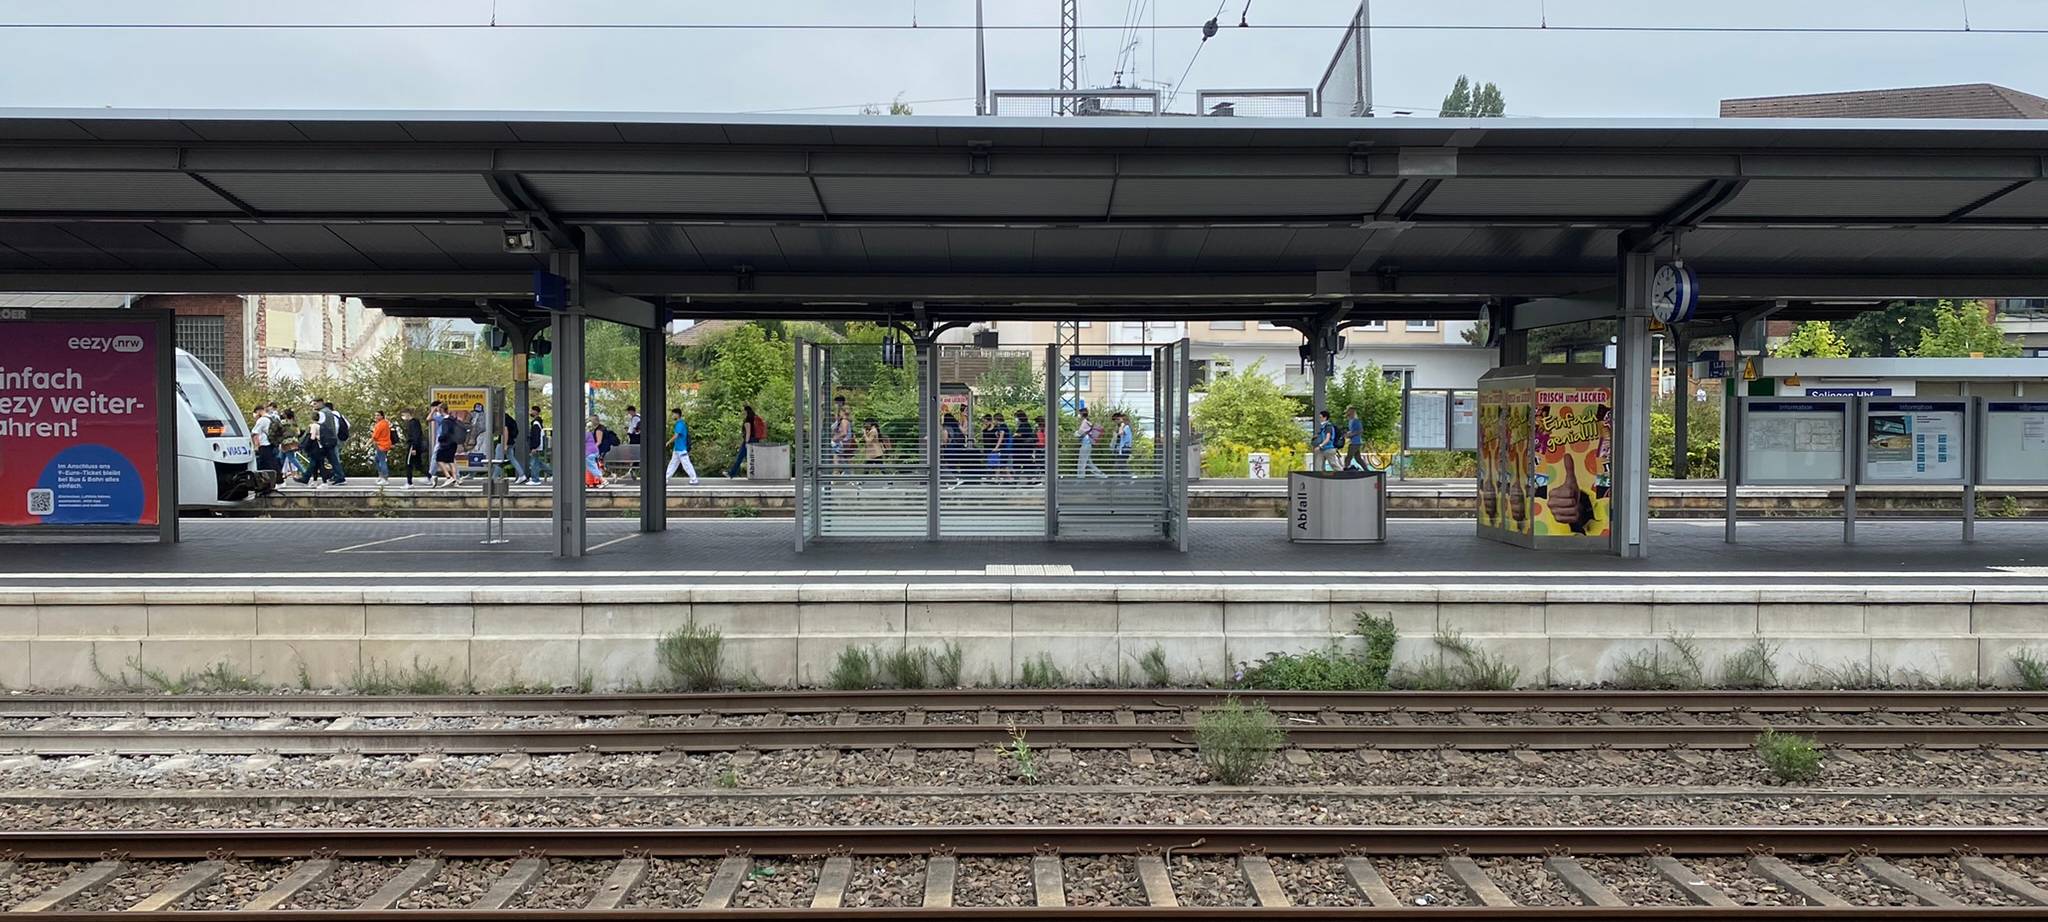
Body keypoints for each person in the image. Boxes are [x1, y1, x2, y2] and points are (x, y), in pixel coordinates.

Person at [664, 408, 700, 484]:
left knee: (686, 464)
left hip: (681, 448)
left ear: (677, 414)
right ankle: (665, 477)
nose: (672, 416)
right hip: (677, 448)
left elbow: (676, 435)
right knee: (673, 464)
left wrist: (668, 442)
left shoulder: (680, 424)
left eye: (673, 414)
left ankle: (694, 479)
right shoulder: (680, 423)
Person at [432, 401, 463, 488]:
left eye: (439, 409)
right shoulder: (453, 419)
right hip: (453, 443)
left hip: (446, 444)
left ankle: (448, 477)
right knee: (451, 461)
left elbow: (445, 433)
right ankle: (455, 480)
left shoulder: (445, 421)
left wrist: (440, 438)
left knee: (439, 459)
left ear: (442, 409)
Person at [727, 404, 761, 478]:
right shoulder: (753, 419)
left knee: (740, 457)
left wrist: (746, 442)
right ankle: (757, 474)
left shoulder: (747, 420)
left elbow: (748, 432)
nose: (742, 412)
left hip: (749, 441)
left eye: (743, 411)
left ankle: (731, 474)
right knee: (752, 458)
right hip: (755, 440)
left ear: (746, 411)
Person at [400, 408, 427, 488]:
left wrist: (414, 447)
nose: (403, 417)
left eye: (403, 415)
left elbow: (415, 436)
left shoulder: (413, 423)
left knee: (408, 464)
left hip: (412, 446)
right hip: (416, 445)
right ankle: (430, 476)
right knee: (418, 465)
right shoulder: (415, 422)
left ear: (408, 414)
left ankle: (409, 483)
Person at [1075, 408, 1105, 478]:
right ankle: (1101, 475)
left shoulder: (1084, 422)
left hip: (1085, 444)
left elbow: (1079, 433)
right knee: (1088, 462)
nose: (1078, 415)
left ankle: (1080, 478)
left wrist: (1075, 433)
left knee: (1081, 462)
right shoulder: (1088, 422)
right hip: (1088, 444)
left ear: (1082, 414)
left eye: (1079, 414)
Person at [250, 405, 279, 475]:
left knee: (266, 464)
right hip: (272, 442)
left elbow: (254, 433)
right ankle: (277, 479)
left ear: (259, 411)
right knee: (272, 462)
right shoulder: (271, 418)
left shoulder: (262, 420)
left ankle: (277, 480)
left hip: (263, 444)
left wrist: (256, 446)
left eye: (256, 413)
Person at [499, 409, 527, 483]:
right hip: (511, 441)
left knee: (497, 460)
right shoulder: (509, 418)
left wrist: (505, 445)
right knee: (511, 458)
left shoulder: (503, 418)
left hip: (504, 442)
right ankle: (522, 475)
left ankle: (494, 478)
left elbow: (505, 431)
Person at [369, 410, 393, 485]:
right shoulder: (385, 423)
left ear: (382, 416)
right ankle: (381, 476)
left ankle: (385, 478)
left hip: (381, 445)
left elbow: (375, 436)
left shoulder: (380, 424)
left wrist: (367, 444)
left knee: (382, 461)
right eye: (375, 415)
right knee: (377, 459)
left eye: (378, 415)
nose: (376, 417)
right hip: (385, 444)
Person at [526, 407, 549, 482]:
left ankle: (535, 479)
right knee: (538, 462)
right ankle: (554, 473)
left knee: (534, 463)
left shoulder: (536, 423)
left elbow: (536, 436)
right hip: (538, 445)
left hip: (536, 446)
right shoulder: (538, 422)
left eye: (532, 410)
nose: (530, 412)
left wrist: (534, 447)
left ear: (536, 412)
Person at [583, 417, 606, 486]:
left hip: (589, 453)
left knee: (592, 467)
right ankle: (591, 482)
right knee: (592, 466)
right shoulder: (589, 433)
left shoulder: (584, 434)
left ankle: (603, 480)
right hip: (594, 451)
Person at [1013, 411, 1037, 476]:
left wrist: (1016, 435)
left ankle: (1029, 479)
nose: (1015, 419)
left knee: (1024, 464)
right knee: (1025, 464)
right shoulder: (1023, 425)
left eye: (1016, 417)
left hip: (1022, 450)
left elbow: (1019, 435)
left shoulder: (1025, 425)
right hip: (1022, 450)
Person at [1112, 412, 1134, 477]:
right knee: (1120, 465)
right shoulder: (1122, 427)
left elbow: (1121, 433)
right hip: (1121, 449)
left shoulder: (1126, 427)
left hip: (1125, 449)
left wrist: (1121, 425)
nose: (1115, 422)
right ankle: (1125, 479)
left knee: (1121, 465)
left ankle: (1129, 478)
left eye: (1116, 420)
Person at [1345, 405, 1365, 471]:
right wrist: (1348, 433)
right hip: (1354, 442)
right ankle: (1367, 471)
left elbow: (1360, 430)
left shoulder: (1356, 421)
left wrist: (1351, 435)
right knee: (1358, 459)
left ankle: (1346, 471)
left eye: (1349, 411)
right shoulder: (1350, 421)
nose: (1347, 412)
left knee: (1348, 458)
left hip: (1355, 442)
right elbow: (1353, 430)